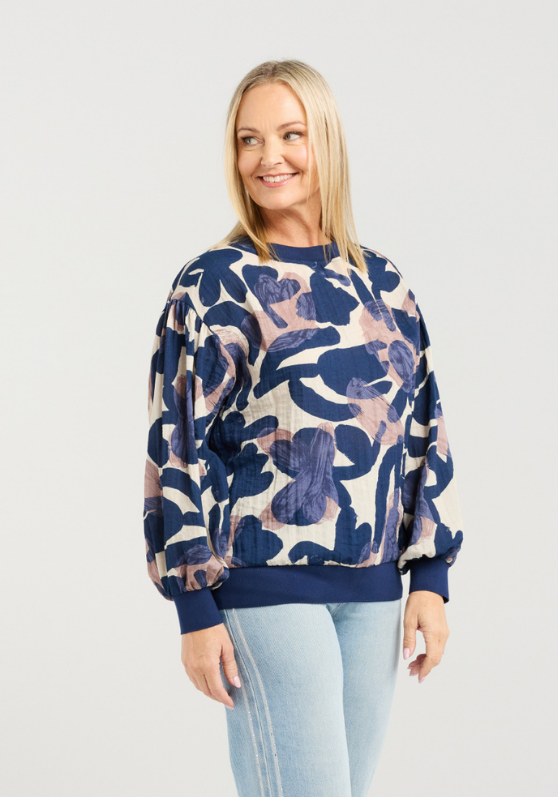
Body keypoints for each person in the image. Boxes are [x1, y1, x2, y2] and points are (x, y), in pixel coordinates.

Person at [143, 59, 464, 797]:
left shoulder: (384, 282)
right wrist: (193, 605)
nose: (269, 157)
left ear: (327, 141)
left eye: (291, 134)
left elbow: (423, 429)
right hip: (263, 587)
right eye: (249, 139)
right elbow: (177, 445)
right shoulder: (216, 281)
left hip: (375, 592)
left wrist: (431, 578)